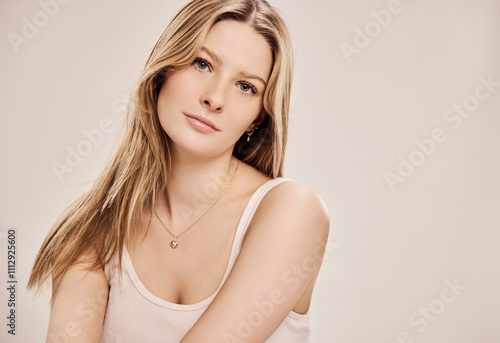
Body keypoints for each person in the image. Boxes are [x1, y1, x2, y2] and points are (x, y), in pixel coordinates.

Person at [28, 0, 330, 341]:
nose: (215, 98)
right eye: (202, 64)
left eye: (246, 86)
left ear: (257, 117)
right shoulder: (90, 233)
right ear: (164, 69)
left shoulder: (292, 211)